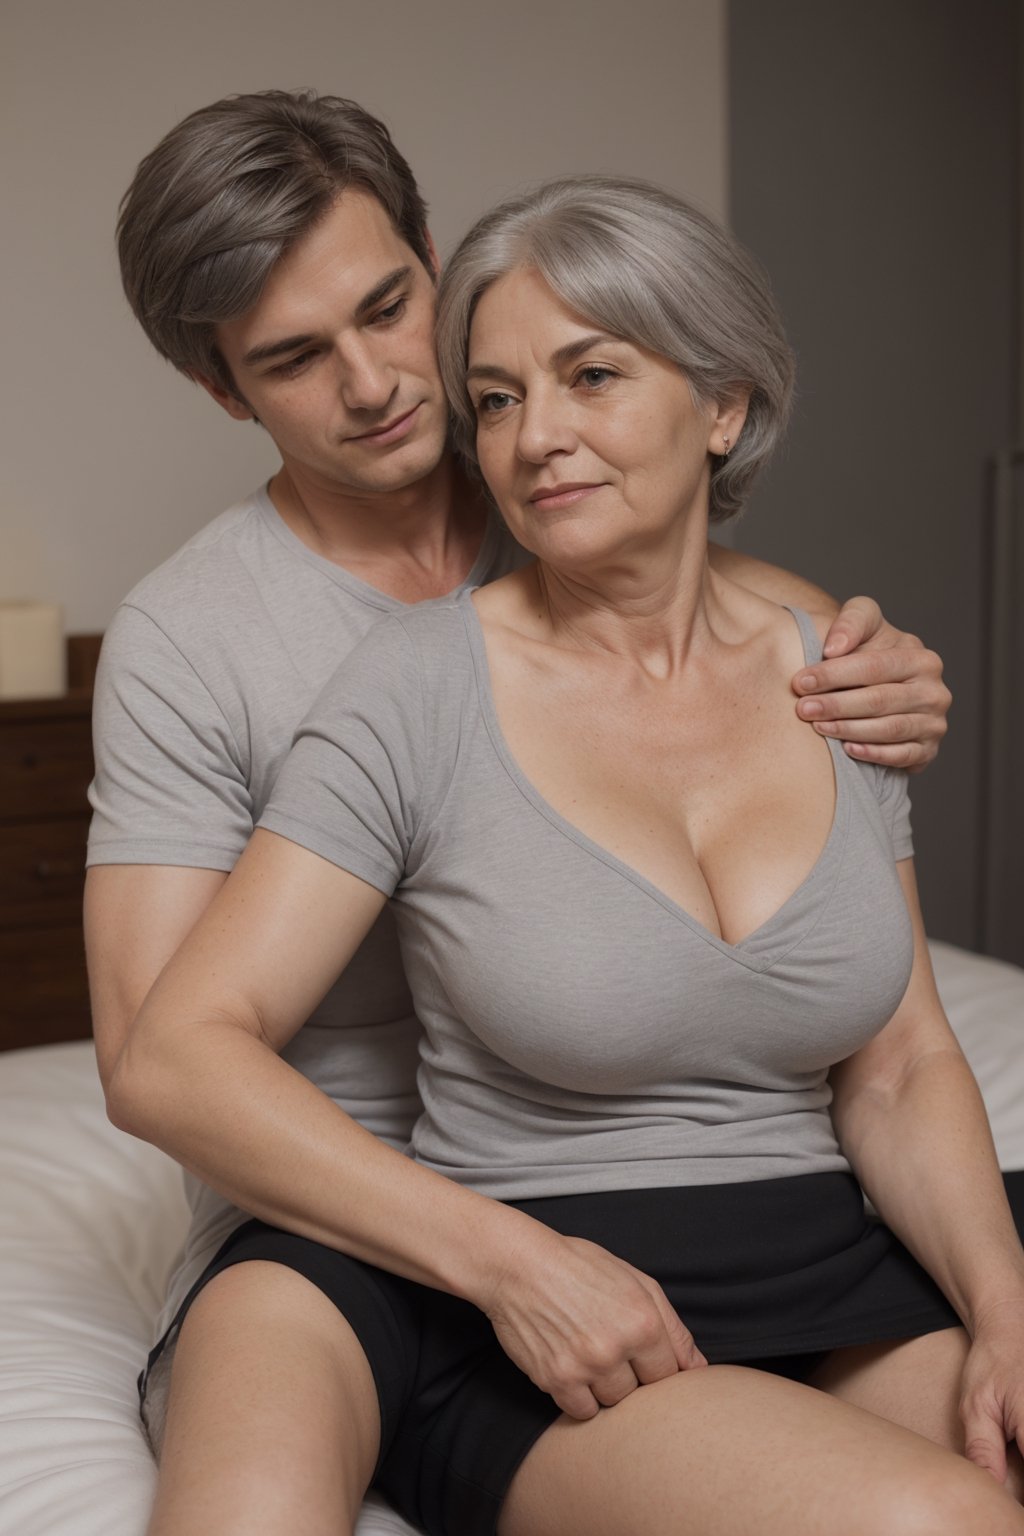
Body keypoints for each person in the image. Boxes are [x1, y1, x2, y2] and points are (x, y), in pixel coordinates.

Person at [106, 172, 1024, 1536]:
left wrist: (1005, 1313)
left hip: (831, 1238)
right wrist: (513, 1266)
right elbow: (171, 1052)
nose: (535, 436)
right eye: (499, 398)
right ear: (227, 387)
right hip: (507, 1250)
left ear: (722, 404)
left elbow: (900, 1058)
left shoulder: (828, 658)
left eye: (590, 376)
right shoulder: (374, 670)